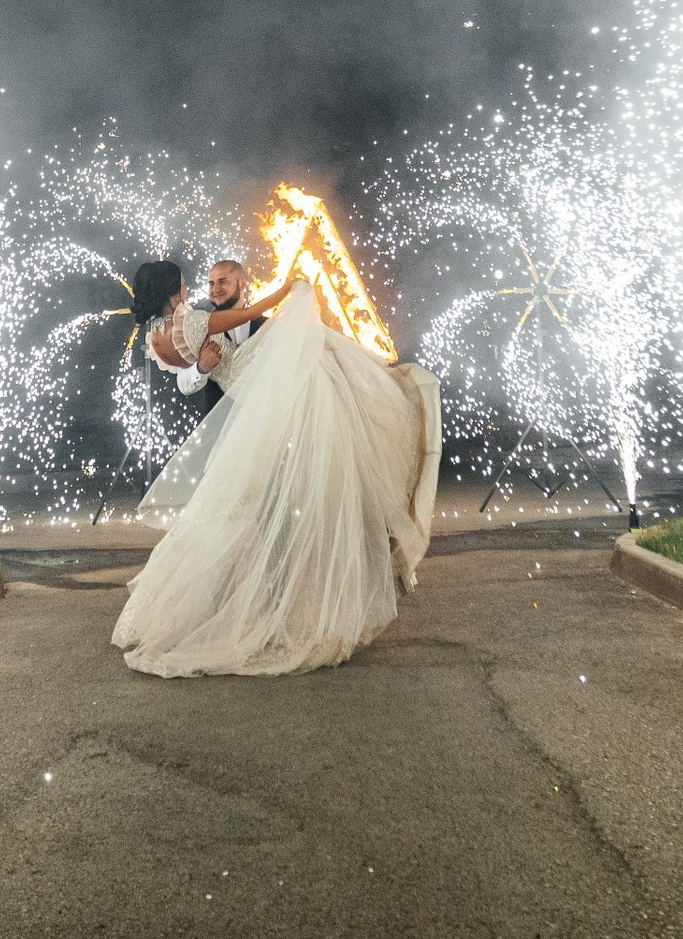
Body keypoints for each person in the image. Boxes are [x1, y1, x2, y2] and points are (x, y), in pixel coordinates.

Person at [116, 259, 443, 678]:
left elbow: (242, 335)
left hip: (267, 433)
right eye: (205, 282)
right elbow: (191, 375)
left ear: (239, 282)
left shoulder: (158, 334)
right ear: (173, 289)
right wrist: (288, 290)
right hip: (234, 436)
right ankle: (226, 616)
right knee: (228, 525)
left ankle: (268, 608)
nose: (211, 288)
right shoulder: (197, 321)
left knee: (262, 520)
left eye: (222, 281)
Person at [172, 258, 262, 416]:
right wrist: (202, 368)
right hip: (218, 433)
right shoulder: (199, 327)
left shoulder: (268, 327)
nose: (216, 289)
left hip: (261, 428)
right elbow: (183, 385)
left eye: (223, 281)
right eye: (211, 283)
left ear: (242, 284)